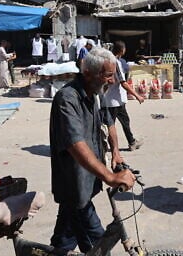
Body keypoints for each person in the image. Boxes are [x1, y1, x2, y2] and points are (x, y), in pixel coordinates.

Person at [49, 47, 136, 252]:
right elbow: (75, 143)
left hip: (84, 187)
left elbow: (109, 122)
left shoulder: (96, 94)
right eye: (107, 76)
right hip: (75, 185)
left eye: (113, 75)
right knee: (98, 245)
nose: (112, 81)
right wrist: (109, 177)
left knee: (63, 242)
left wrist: (116, 152)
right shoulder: (67, 99)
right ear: (88, 73)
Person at [105, 41, 144, 151]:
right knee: (114, 124)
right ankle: (129, 143)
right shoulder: (115, 62)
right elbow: (123, 82)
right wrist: (137, 96)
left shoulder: (109, 60)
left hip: (111, 99)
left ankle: (131, 142)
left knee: (118, 122)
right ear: (122, 50)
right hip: (115, 100)